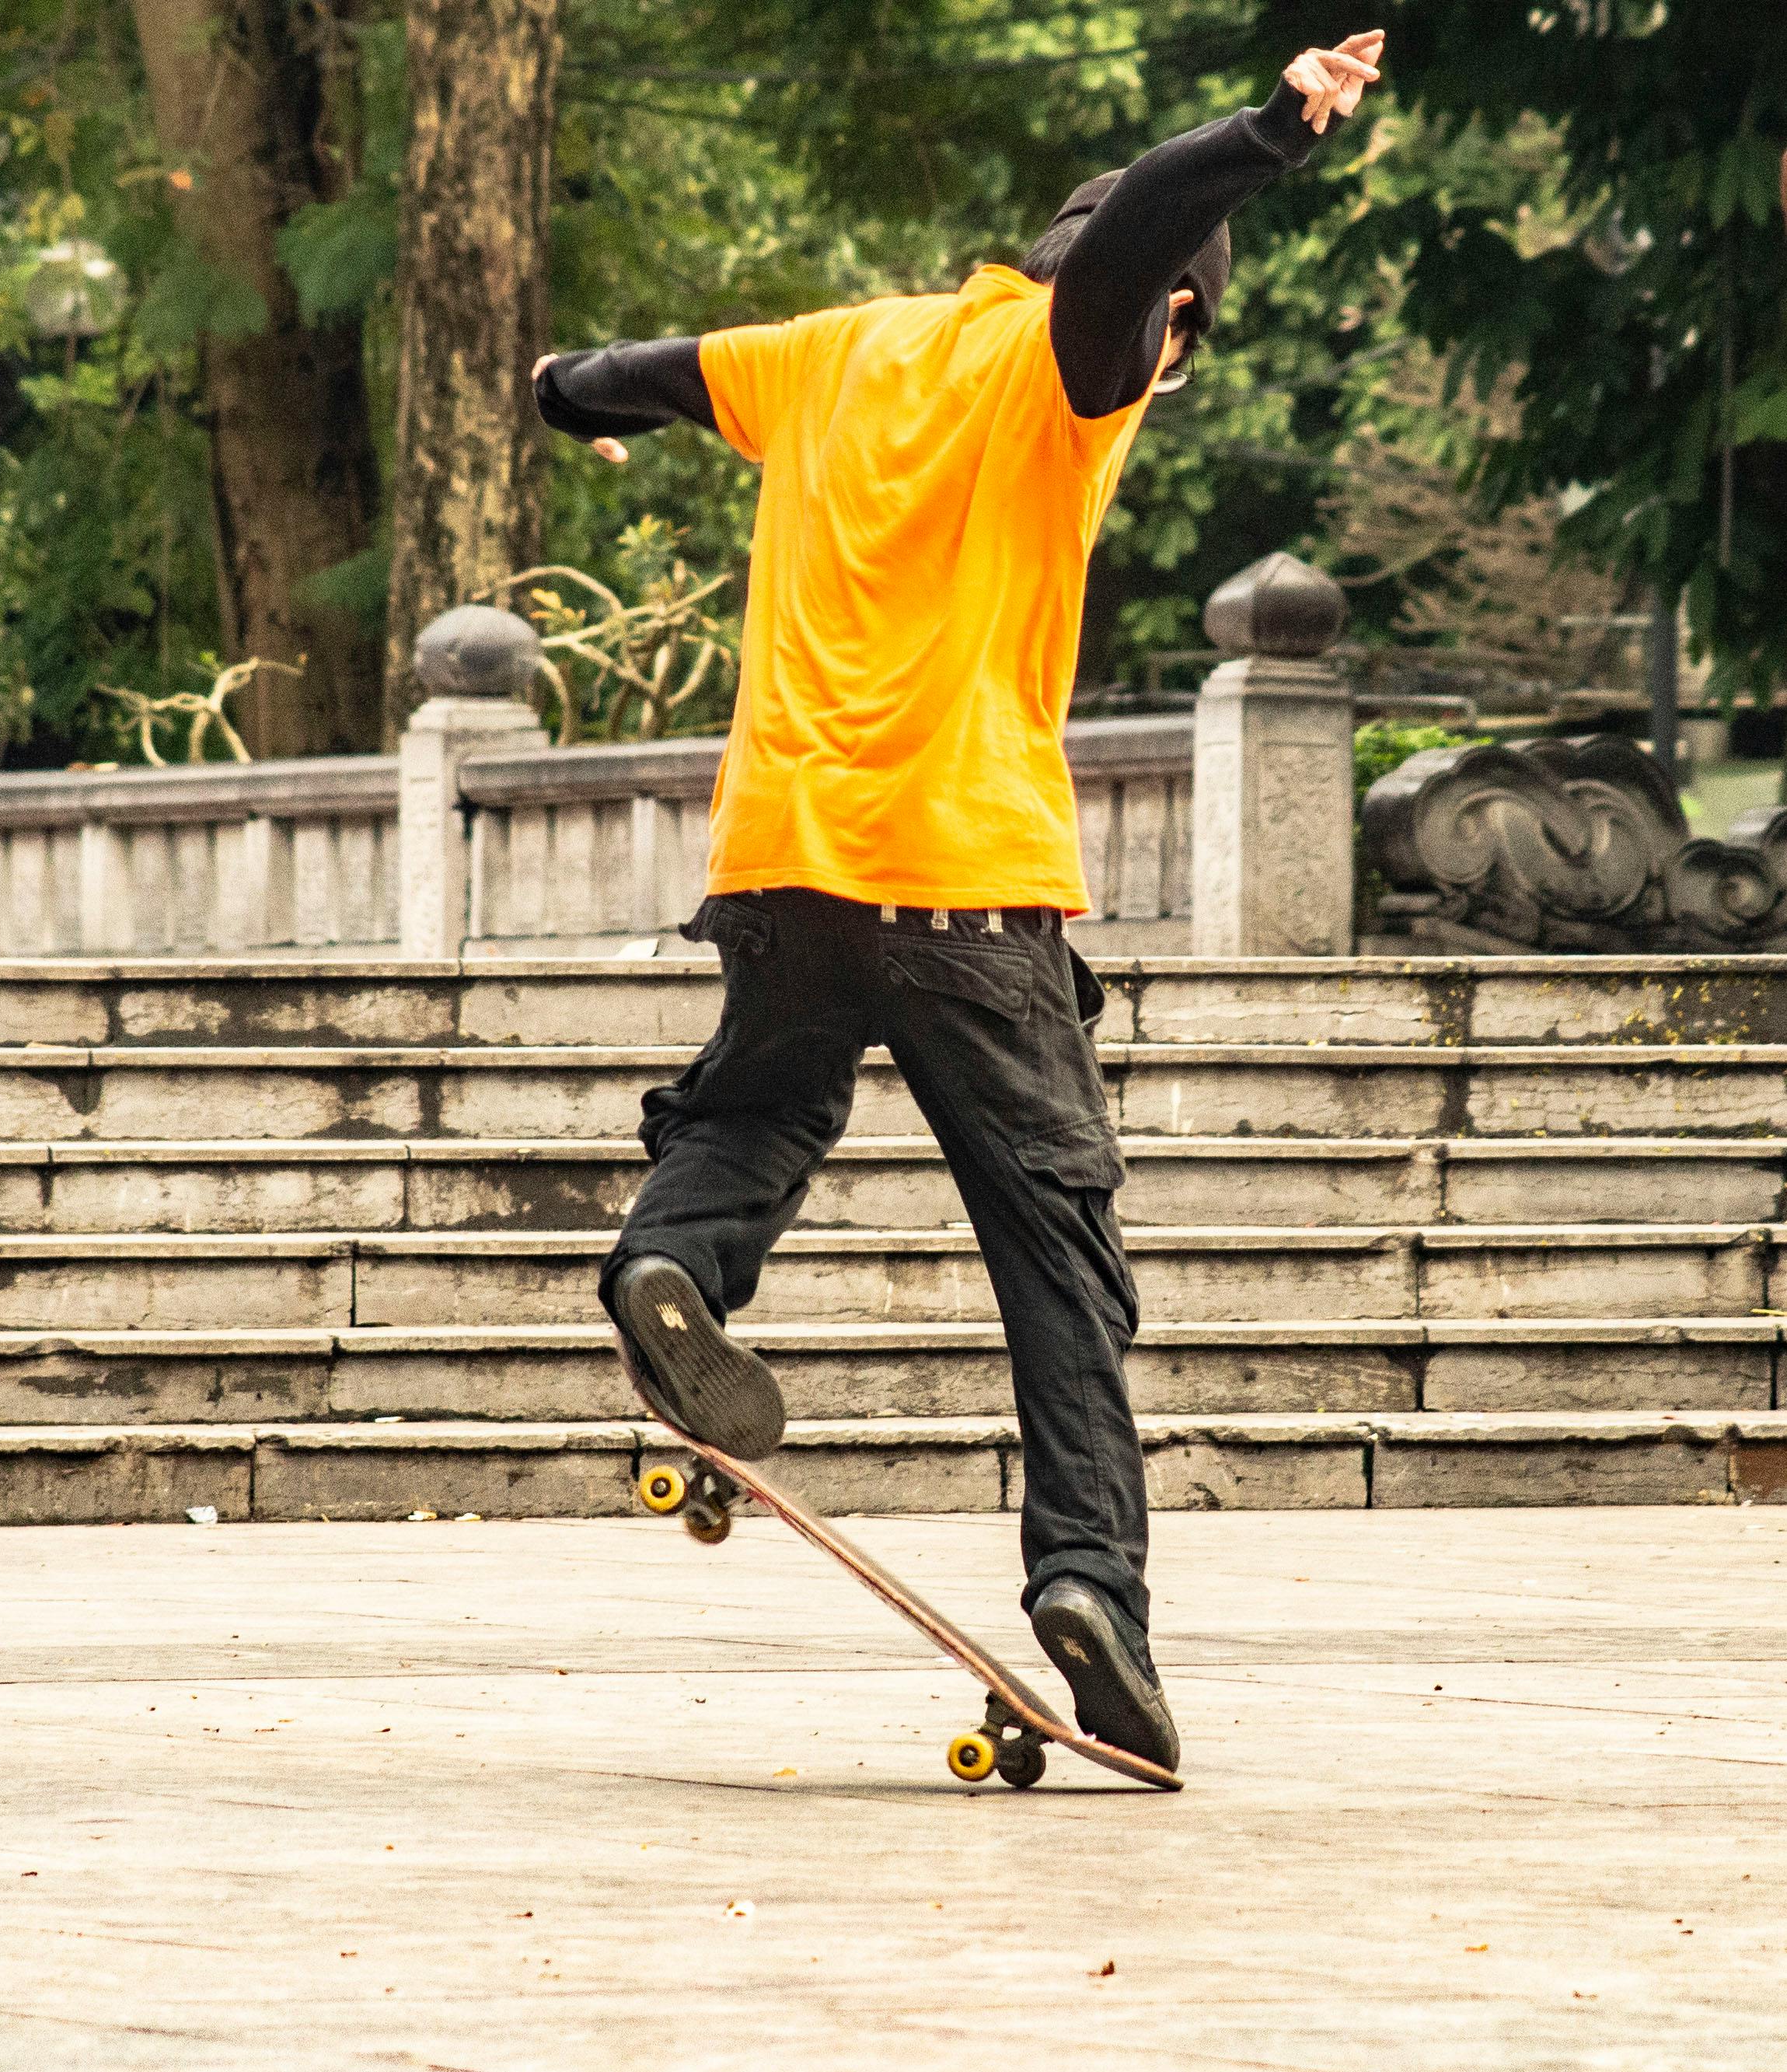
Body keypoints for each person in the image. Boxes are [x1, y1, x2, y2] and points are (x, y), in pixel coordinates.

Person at [533, 33, 1388, 1774]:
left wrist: (568, 398)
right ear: (1168, 322)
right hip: (966, 885)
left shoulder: (839, 350)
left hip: (780, 856)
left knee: (757, 1109)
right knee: (1060, 1262)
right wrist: (1275, 131)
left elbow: (633, 372)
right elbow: (1150, 232)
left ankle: (670, 1265)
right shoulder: (1081, 358)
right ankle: (1089, 1591)